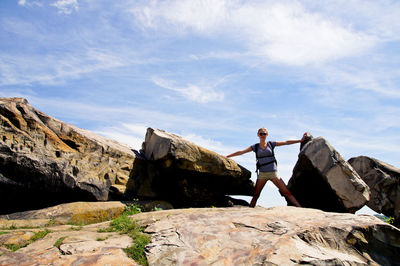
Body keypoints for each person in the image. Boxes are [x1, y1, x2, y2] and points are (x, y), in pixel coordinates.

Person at [226, 127, 306, 208]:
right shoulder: (255, 147)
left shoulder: (271, 144)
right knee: (256, 195)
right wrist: (227, 156)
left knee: (287, 192)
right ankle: (250, 211)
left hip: (273, 174)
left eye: (264, 134)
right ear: (258, 135)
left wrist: (300, 140)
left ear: (267, 135)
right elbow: (241, 152)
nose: (262, 135)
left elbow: (286, 142)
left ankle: (300, 208)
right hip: (262, 175)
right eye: (261, 134)